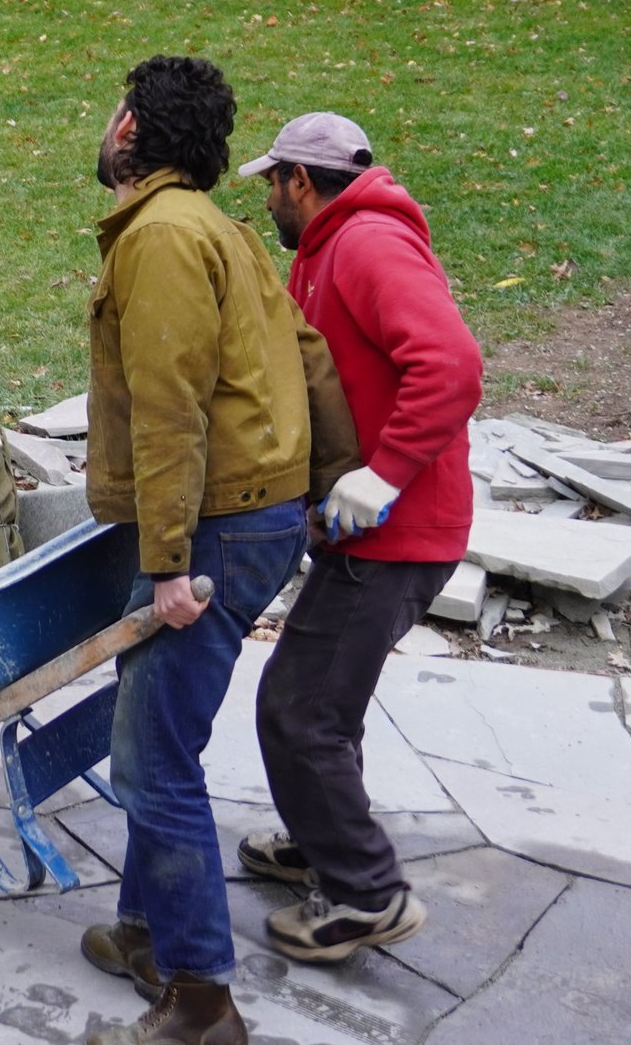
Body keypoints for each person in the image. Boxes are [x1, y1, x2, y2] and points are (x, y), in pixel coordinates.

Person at [77, 56, 358, 1045]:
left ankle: (201, 1002)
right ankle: (145, 931)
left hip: (213, 530)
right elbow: (311, 357)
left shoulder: (161, 237)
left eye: (114, 110)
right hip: (257, 517)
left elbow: (170, 409)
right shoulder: (221, 230)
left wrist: (165, 564)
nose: (107, 123)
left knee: (154, 759)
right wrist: (330, 484)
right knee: (156, 733)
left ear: (129, 131)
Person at [238, 113, 483, 962]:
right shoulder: (328, 249)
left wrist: (383, 475)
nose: (268, 198)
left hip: (399, 533)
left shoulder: (369, 245)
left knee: (298, 710)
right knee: (325, 703)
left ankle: (365, 894)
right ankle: (323, 841)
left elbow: (451, 365)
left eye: (273, 183)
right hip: (371, 530)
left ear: (302, 182)